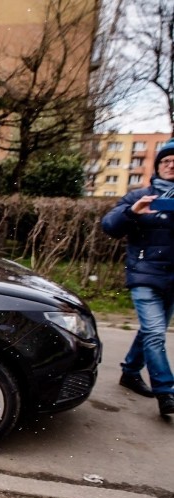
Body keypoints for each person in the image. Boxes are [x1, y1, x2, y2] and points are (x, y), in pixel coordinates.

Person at [101, 137, 174, 416]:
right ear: (157, 166)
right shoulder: (138, 196)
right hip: (144, 275)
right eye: (166, 161)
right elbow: (109, 226)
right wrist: (133, 211)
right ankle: (166, 392)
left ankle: (130, 372)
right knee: (156, 333)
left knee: (149, 330)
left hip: (171, 279)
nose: (170, 166)